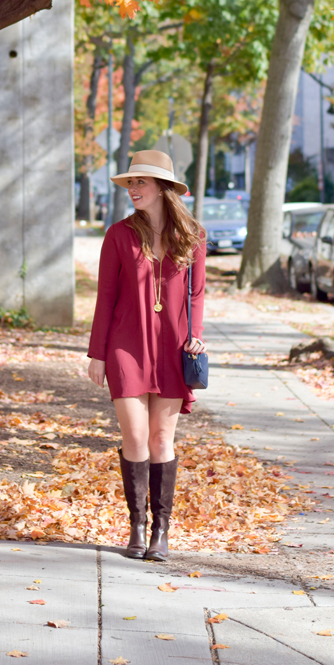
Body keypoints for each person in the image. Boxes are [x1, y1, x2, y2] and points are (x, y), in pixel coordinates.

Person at [87, 149, 207, 562]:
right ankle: (136, 527)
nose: (133, 189)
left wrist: (196, 336)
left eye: (141, 182)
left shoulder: (192, 235)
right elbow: (105, 297)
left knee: (161, 439)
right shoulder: (119, 235)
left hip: (173, 347)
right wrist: (97, 353)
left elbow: (196, 294)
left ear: (163, 188)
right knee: (135, 436)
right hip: (126, 345)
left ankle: (161, 531)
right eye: (131, 183)